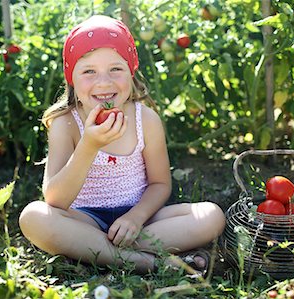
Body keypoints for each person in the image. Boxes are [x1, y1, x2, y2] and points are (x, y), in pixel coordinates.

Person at [19, 15, 226, 275]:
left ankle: (101, 251)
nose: (103, 82)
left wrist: (135, 218)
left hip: (141, 221)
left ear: (131, 72)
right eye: (89, 71)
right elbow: (55, 200)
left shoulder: (145, 119)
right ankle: (146, 262)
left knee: (211, 216)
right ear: (71, 77)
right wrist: (89, 146)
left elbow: (160, 184)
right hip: (85, 221)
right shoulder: (66, 123)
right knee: (33, 217)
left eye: (115, 69)